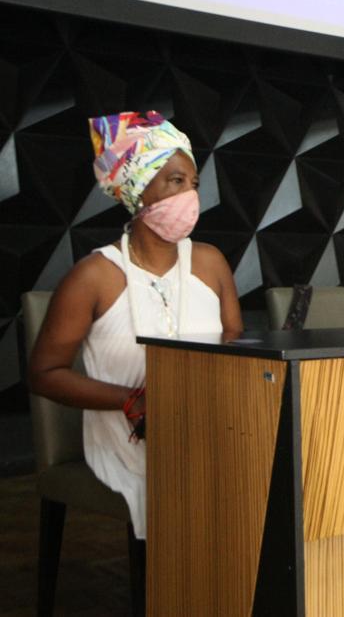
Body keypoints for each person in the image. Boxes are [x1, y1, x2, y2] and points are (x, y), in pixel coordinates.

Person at [27, 111, 242, 541]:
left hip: (208, 425)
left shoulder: (211, 262)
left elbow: (237, 343)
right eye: (176, 181)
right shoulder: (93, 277)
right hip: (126, 440)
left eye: (194, 184)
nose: (191, 195)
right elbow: (44, 374)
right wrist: (132, 401)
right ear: (137, 188)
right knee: (196, 484)